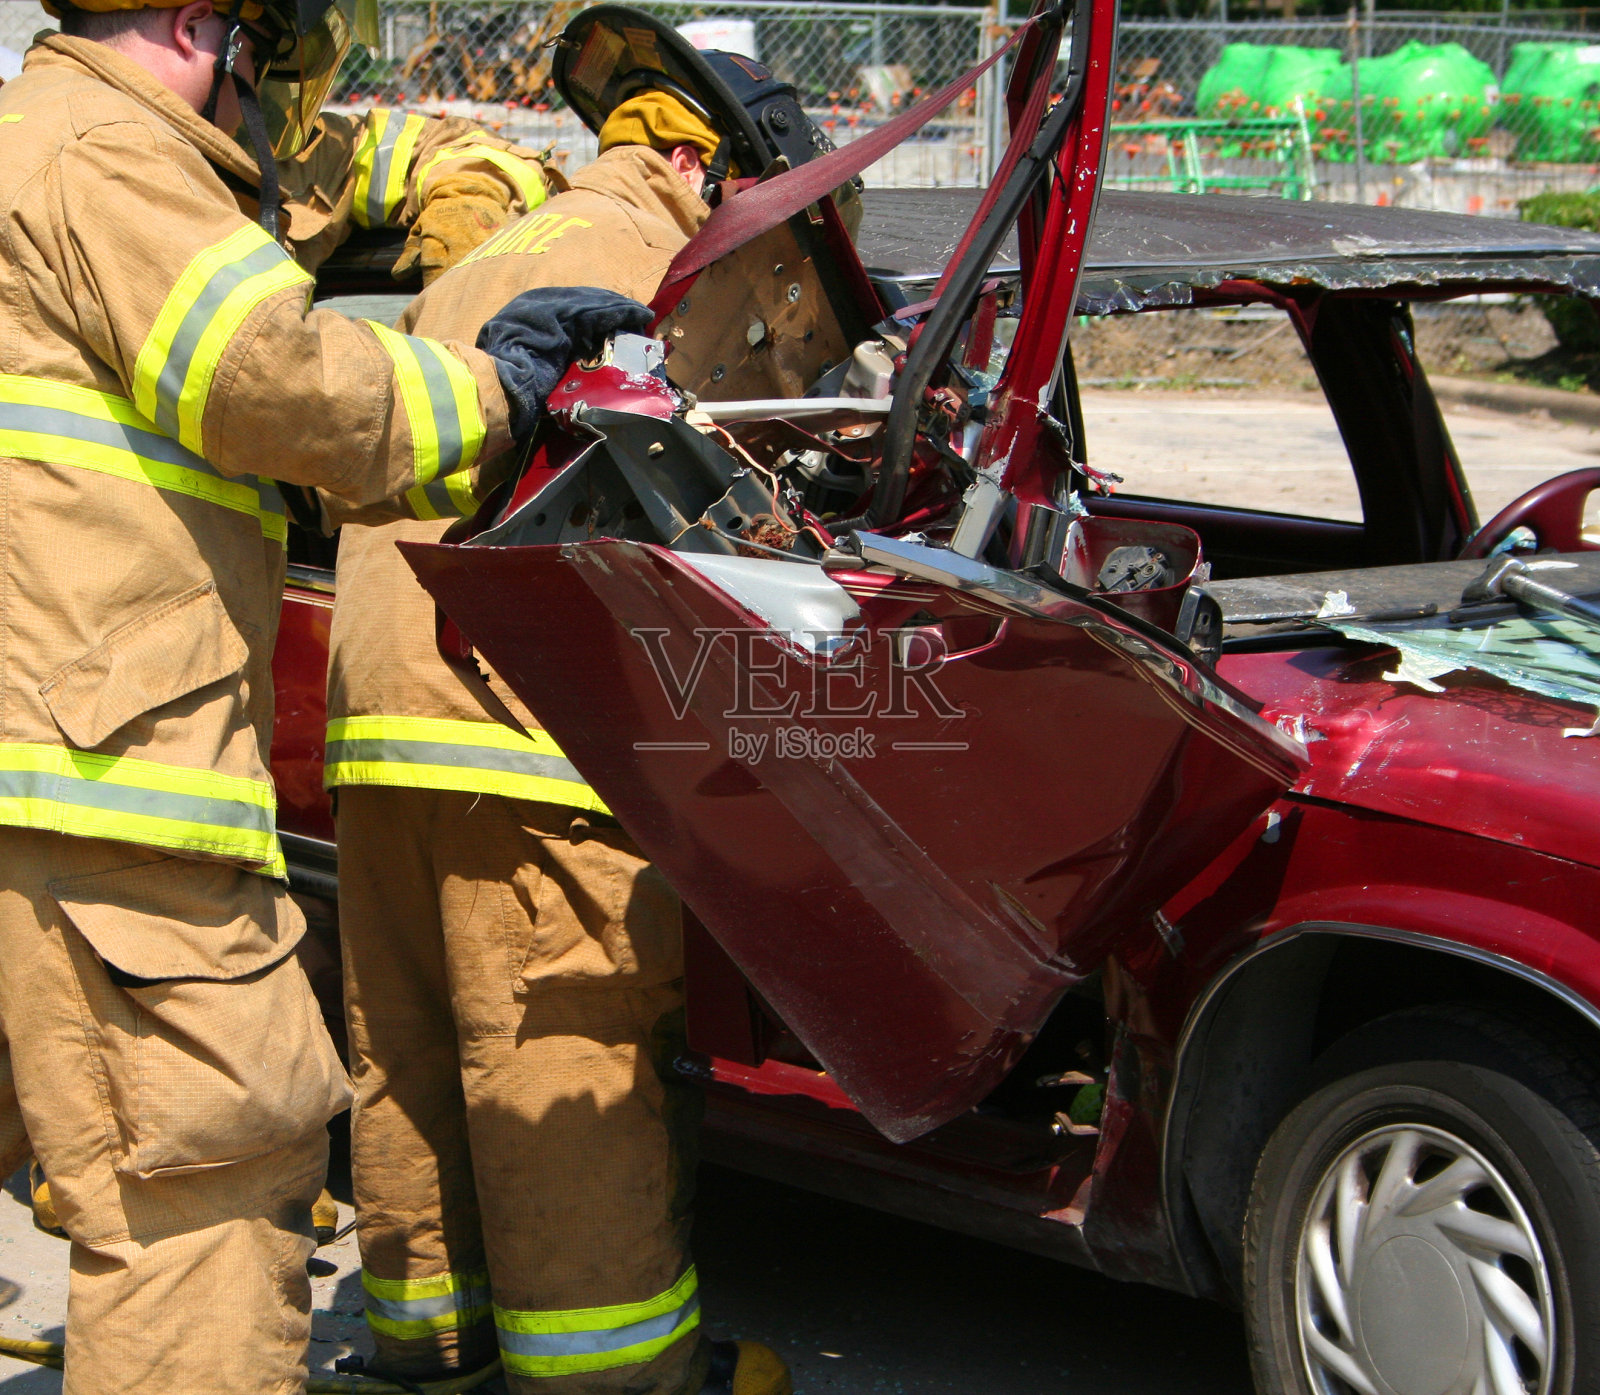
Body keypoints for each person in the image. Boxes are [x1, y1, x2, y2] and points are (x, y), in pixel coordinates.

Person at [0, 0, 644, 1389]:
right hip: (102, 780)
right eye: (271, 49)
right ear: (196, 24)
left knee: (105, 1152)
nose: (274, 96)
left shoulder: (30, 140)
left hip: (45, 762)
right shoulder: (103, 151)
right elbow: (271, 377)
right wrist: (498, 394)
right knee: (206, 1179)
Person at [324, 8, 857, 1393]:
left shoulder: (503, 248)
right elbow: (724, 522)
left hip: (381, 713)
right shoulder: (666, 274)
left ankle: (425, 1348)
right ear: (707, 165)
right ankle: (614, 1381)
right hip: (525, 726)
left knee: (415, 1054)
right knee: (562, 1061)